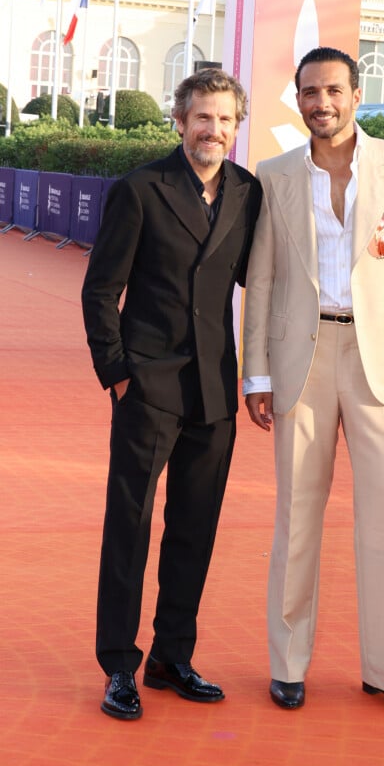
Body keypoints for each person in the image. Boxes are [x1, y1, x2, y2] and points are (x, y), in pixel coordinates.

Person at [242, 47, 384, 714]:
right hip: (301, 357)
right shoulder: (273, 174)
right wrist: (258, 373)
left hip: (378, 360)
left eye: (332, 90)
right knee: (296, 515)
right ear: (297, 99)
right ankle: (289, 661)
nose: (320, 102)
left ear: (357, 94)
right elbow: (262, 280)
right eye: (308, 92)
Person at [82, 68, 262, 720]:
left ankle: (171, 655)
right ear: (180, 122)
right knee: (128, 529)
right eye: (202, 118)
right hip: (148, 388)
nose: (213, 130)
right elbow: (100, 290)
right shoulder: (139, 190)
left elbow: (256, 280)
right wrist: (119, 373)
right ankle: (119, 666)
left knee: (195, 528)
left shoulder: (247, 192)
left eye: (225, 120)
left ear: (237, 128)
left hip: (214, 390)